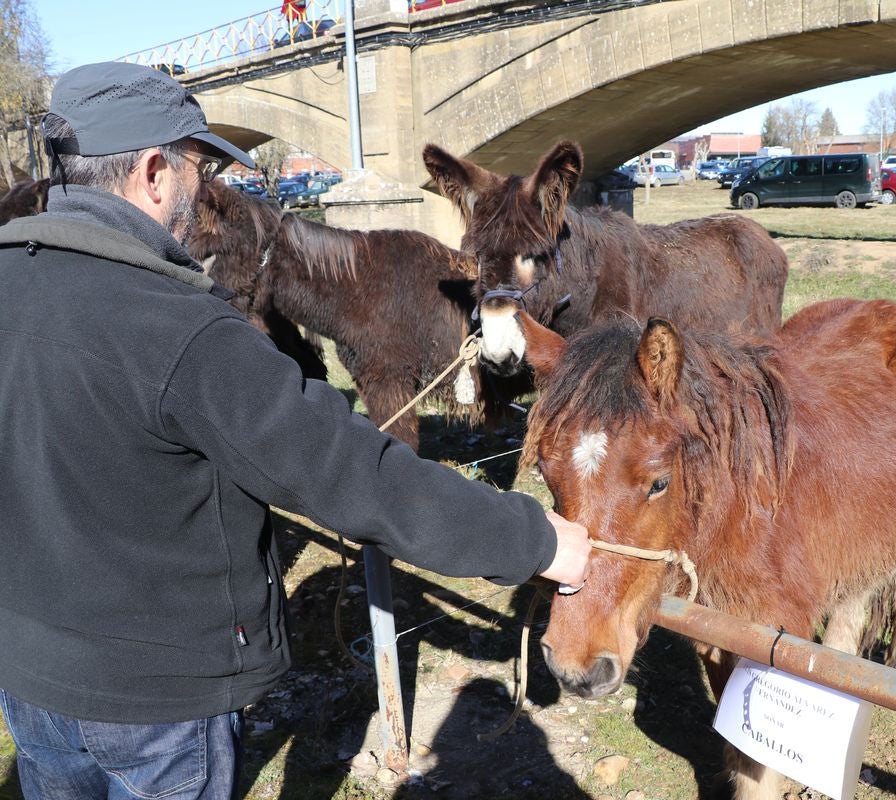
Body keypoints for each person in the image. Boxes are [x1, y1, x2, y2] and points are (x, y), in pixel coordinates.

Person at [0, 61, 590, 799]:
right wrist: (533, 539)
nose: (200, 195)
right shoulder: (181, 329)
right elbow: (350, 473)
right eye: (197, 170)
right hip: (157, 706)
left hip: (28, 682)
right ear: (153, 173)